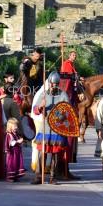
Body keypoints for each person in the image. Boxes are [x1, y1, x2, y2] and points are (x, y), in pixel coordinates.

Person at [31, 71, 70, 185]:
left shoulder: (63, 95)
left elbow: (67, 112)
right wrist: (40, 106)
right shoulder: (44, 94)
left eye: (56, 84)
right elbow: (35, 110)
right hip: (45, 128)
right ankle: (38, 176)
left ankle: (53, 177)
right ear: (49, 83)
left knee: (54, 154)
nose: (54, 86)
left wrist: (58, 115)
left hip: (56, 129)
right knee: (41, 152)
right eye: (52, 84)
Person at [58, 50, 81, 180]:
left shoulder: (72, 66)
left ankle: (66, 170)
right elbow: (67, 77)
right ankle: (59, 170)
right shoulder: (66, 64)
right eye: (73, 55)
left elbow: (74, 78)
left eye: (75, 55)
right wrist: (73, 79)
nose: (74, 57)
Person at [5, 117, 25, 182]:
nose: (16, 127)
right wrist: (18, 141)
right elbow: (11, 143)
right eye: (14, 126)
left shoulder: (15, 134)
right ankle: (10, 177)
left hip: (16, 152)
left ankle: (15, 176)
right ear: (10, 126)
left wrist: (20, 141)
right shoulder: (9, 135)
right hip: (12, 152)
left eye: (16, 126)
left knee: (16, 163)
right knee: (11, 164)